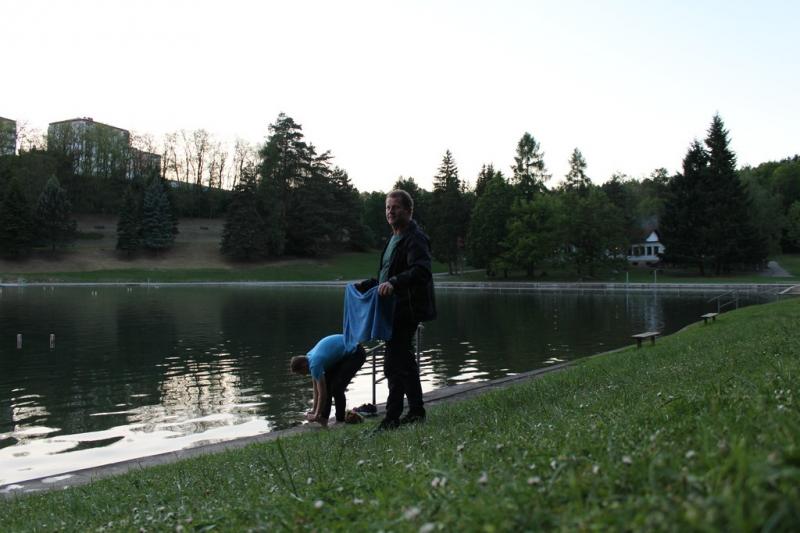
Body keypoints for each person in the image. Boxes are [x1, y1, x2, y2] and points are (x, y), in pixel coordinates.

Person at [357, 189, 436, 430]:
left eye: (395, 207)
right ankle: (417, 411)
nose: (390, 211)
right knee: (406, 361)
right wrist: (371, 284)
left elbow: (421, 271)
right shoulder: (393, 239)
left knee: (393, 363)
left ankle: (391, 418)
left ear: (408, 210)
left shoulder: (415, 238)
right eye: (387, 207)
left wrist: (393, 283)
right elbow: (389, 275)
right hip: (393, 310)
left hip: (407, 309)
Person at [290, 334, 366, 426]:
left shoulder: (315, 364)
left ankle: (340, 421)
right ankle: (324, 418)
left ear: (303, 366)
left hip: (356, 352)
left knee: (337, 388)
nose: (302, 375)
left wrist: (315, 415)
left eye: (300, 373)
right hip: (344, 354)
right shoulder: (310, 359)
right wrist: (314, 411)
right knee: (327, 385)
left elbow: (322, 394)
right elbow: (316, 390)